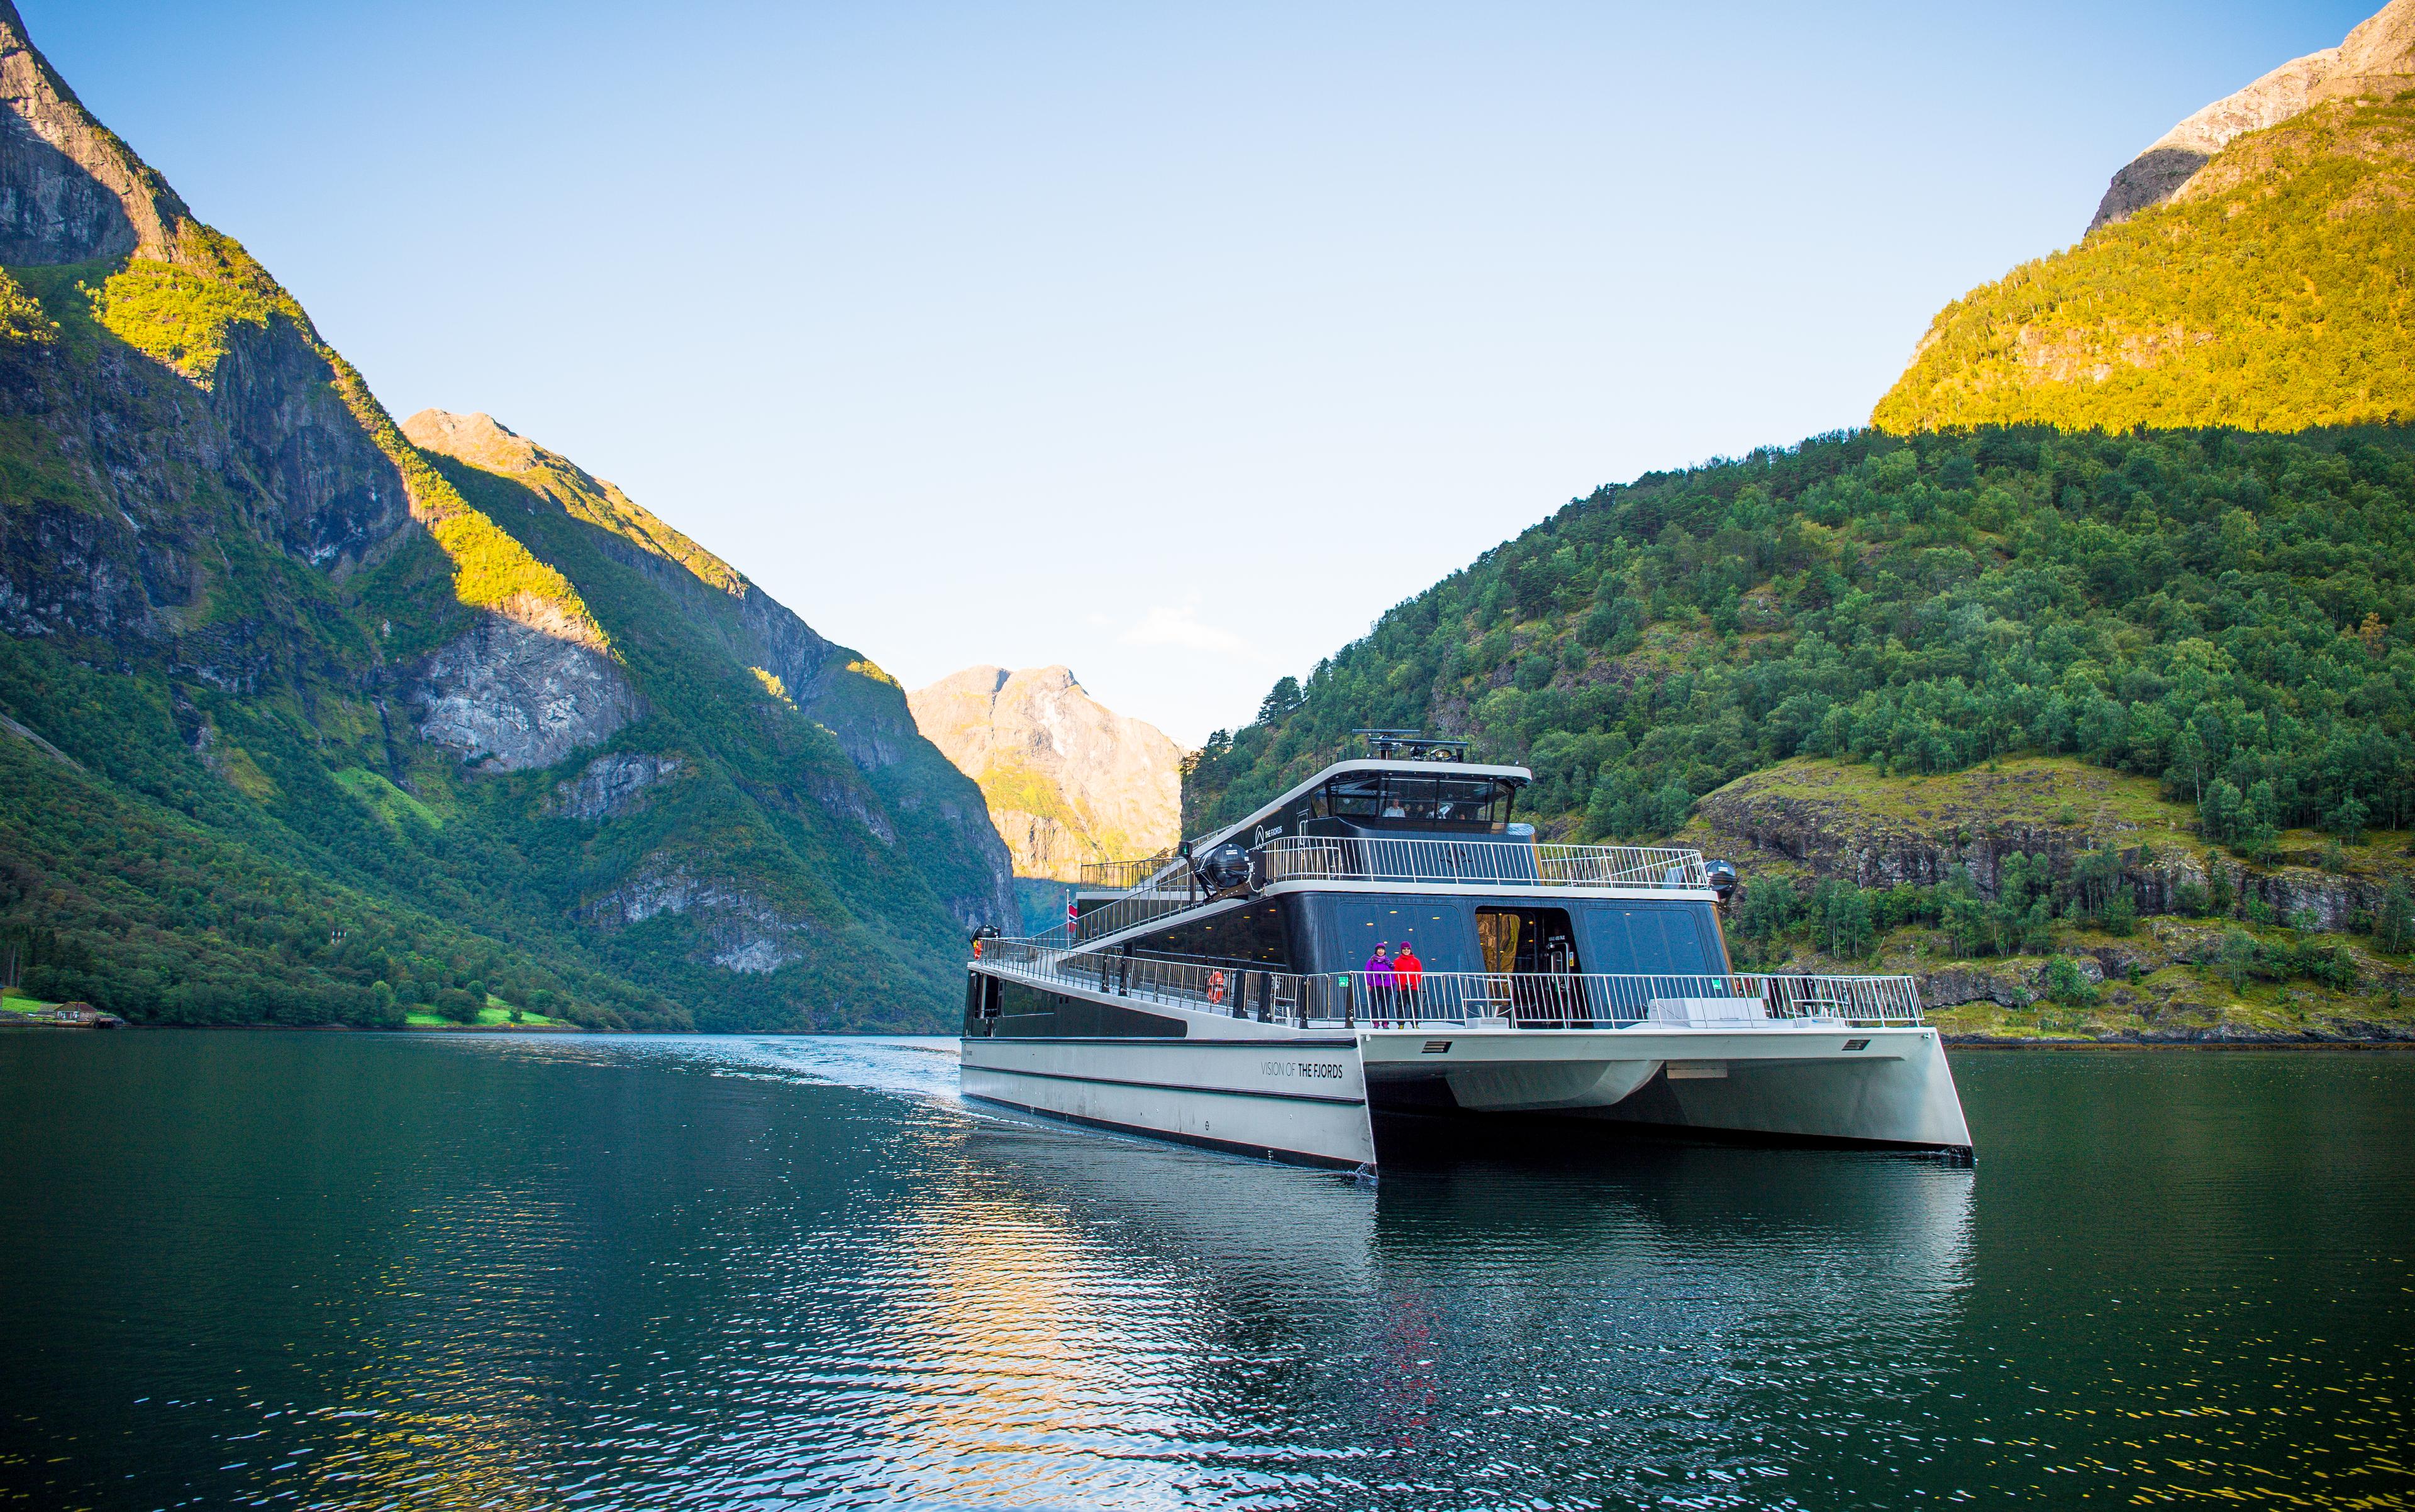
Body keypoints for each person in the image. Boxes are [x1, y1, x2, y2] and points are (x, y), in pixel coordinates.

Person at [1363, 942, 1396, 1020]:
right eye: (1379, 950)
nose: (1381, 951)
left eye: (1382, 950)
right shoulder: (1372, 961)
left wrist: (1392, 984)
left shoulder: (1388, 962)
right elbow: (1367, 973)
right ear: (1376, 951)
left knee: (1386, 1005)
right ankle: (1376, 1022)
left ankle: (1385, 1022)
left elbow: (1392, 974)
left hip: (1386, 986)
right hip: (1375, 985)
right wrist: (1368, 984)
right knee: (1375, 1004)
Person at [1392, 939, 1424, 1017]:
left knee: (1414, 1006)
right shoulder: (1397, 961)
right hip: (1402, 988)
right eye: (1404, 949)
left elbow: (1419, 974)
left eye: (1408, 949)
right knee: (1401, 1006)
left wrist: (1413, 983)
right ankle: (1401, 1024)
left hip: (1414, 988)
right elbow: (1396, 975)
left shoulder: (1416, 961)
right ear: (1401, 950)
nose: (1406, 950)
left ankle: (1415, 1023)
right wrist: (1404, 983)